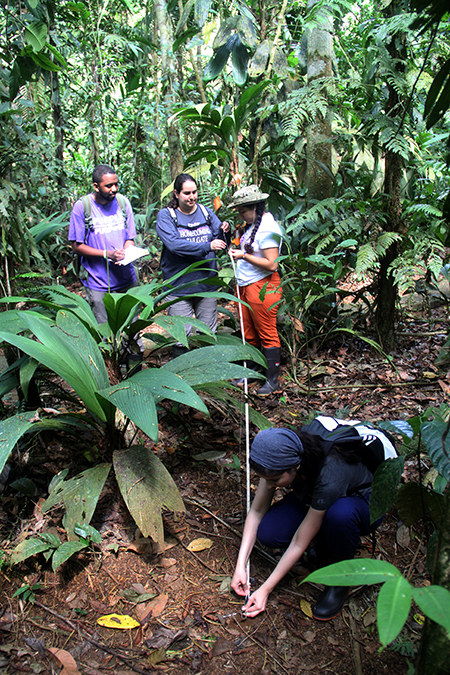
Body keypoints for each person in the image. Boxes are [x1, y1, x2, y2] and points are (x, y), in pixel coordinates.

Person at [231, 415, 397, 620]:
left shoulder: (331, 474)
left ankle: (341, 577)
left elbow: (299, 541)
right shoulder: (278, 457)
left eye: (274, 480)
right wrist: (240, 566)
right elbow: (256, 511)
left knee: (340, 515)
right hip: (314, 490)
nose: (270, 484)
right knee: (269, 532)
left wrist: (265, 589)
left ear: (296, 466)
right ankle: (325, 536)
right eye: (266, 479)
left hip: (363, 499)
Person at [156, 174, 230, 356]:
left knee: (208, 333)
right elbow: (174, 245)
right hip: (179, 286)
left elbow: (220, 241)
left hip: (207, 283)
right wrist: (207, 246)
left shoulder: (205, 212)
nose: (192, 197)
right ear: (176, 193)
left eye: (194, 192)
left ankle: (209, 377)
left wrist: (225, 231)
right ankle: (183, 379)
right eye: (187, 193)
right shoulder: (167, 216)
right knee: (182, 337)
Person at [228, 185, 283, 396]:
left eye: (243, 210)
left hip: (263, 286)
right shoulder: (252, 226)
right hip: (246, 285)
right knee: (249, 333)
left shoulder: (268, 228)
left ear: (256, 207)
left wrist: (243, 256)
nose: (240, 215)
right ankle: (251, 371)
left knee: (267, 333)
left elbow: (272, 264)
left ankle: (272, 380)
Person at [69, 165, 138, 324]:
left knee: (131, 327)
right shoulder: (82, 207)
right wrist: (107, 254)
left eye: (116, 184)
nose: (114, 189)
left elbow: (130, 237)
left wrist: (125, 253)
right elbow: (76, 246)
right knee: (105, 331)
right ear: (96, 186)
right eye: (108, 186)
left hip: (126, 278)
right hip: (98, 282)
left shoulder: (122, 202)